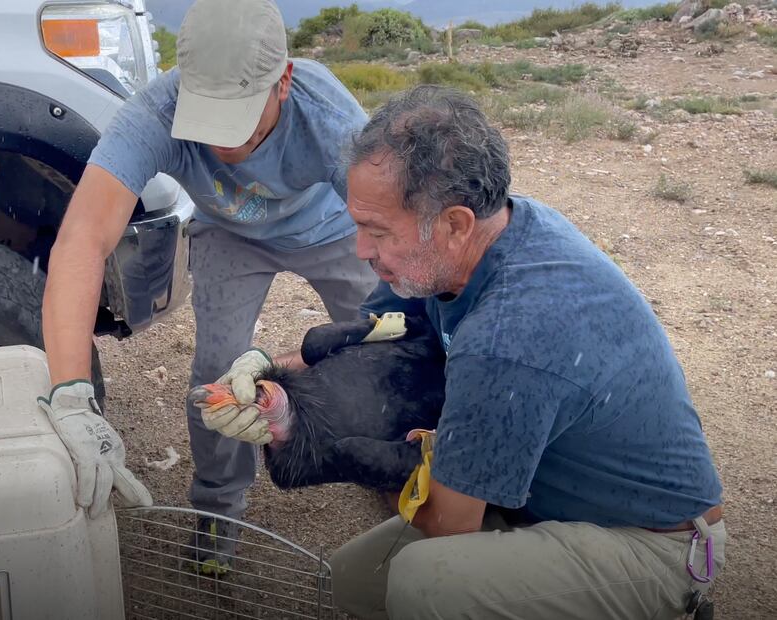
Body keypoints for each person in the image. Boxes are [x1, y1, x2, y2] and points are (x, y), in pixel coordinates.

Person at [204, 85, 725, 619]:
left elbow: (448, 523)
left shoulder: (508, 336)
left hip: (652, 540)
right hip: (541, 498)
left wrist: (345, 452)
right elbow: (386, 339)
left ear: (454, 224)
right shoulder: (483, 237)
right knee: (353, 582)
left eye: (375, 231)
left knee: (424, 583)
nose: (361, 251)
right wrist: (276, 378)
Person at [36, 0, 377, 575]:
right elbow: (81, 241)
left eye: (241, 117)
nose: (222, 144)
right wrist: (70, 394)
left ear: (283, 82)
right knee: (218, 370)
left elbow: (394, 236)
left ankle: (388, 466)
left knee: (378, 348)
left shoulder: (333, 121)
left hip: (335, 229)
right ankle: (220, 509)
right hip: (231, 233)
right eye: (207, 117)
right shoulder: (155, 112)